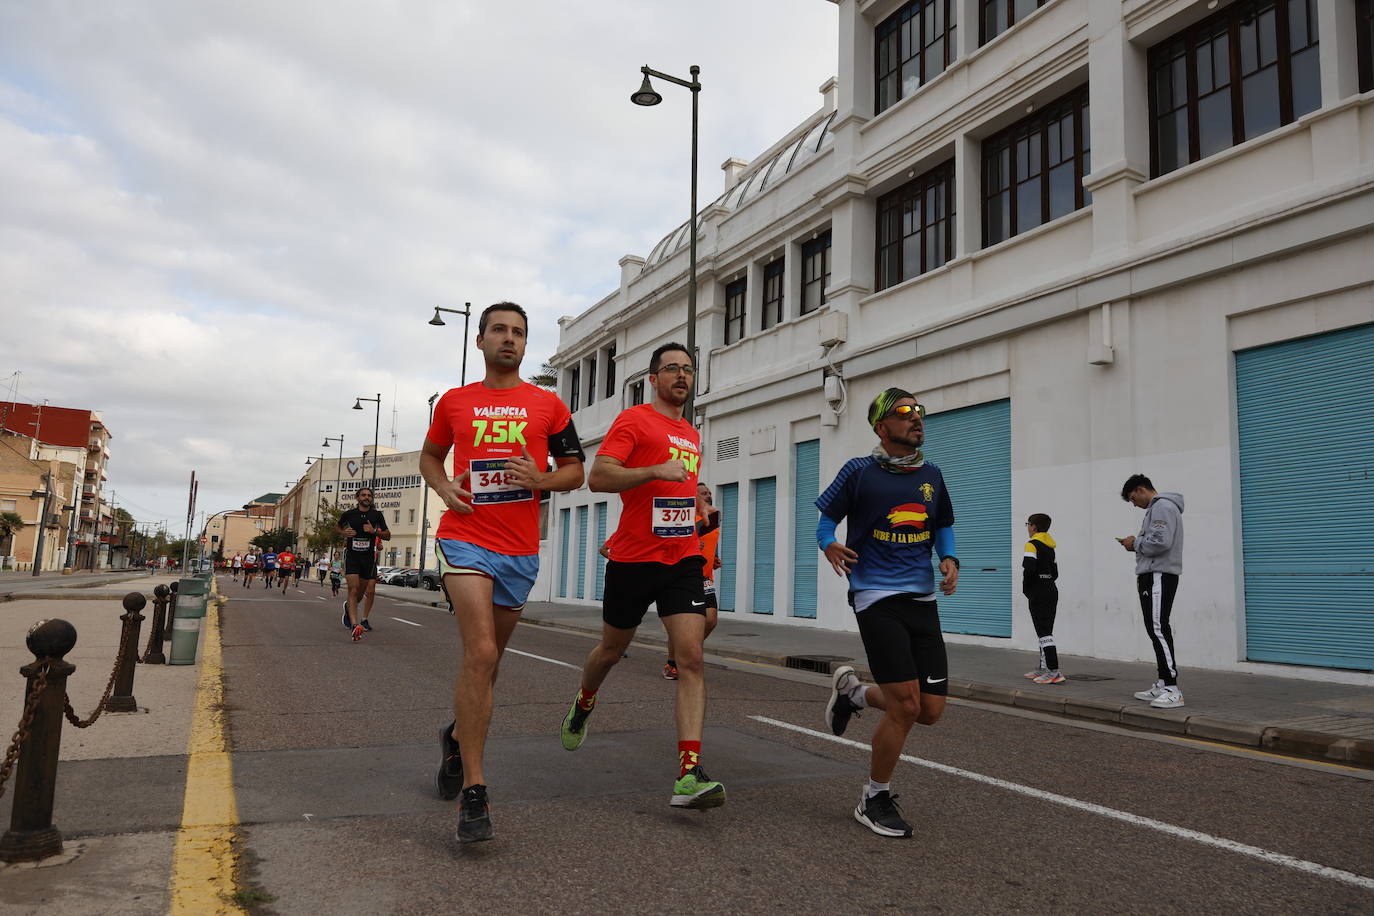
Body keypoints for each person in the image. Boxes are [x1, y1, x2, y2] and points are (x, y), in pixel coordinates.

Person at [420, 301, 585, 844]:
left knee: (490, 666)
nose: (508, 339)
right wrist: (445, 489)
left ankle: (455, 736)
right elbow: (430, 458)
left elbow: (575, 474)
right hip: (465, 538)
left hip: (520, 550)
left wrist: (540, 479)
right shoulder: (455, 402)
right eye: (498, 330)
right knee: (481, 653)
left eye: (517, 332)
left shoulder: (549, 406)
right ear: (481, 341)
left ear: (524, 344)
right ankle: (475, 790)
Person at [560, 342, 726, 812]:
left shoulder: (691, 434)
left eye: (688, 370)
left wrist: (698, 501)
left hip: (681, 558)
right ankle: (585, 700)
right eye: (671, 369)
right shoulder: (633, 421)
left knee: (691, 658)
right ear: (653, 379)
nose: (681, 376)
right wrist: (654, 468)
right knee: (611, 651)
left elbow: (681, 482)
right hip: (634, 560)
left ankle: (688, 774)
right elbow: (599, 477)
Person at [817, 388, 958, 839]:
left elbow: (942, 525)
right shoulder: (859, 471)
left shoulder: (932, 474)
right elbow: (825, 518)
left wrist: (949, 559)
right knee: (906, 705)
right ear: (881, 427)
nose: (916, 419)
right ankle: (873, 797)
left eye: (919, 412)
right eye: (904, 414)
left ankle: (854, 695)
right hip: (875, 597)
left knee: (930, 711)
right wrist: (828, 544)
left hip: (922, 599)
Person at [1118, 474, 1186, 709]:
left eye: (1132, 499)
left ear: (1139, 490)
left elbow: (1160, 542)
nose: (1133, 504)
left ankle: (1172, 688)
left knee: (1158, 627)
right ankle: (1162, 682)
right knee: (1154, 627)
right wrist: (1137, 542)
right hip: (1154, 574)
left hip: (1158, 574)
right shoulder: (1160, 508)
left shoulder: (1162, 507)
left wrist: (1133, 543)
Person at [663, 481, 721, 680]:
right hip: (683, 577)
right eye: (703, 493)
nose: (708, 495)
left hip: (705, 578)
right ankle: (672, 664)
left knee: (711, 620)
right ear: (694, 497)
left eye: (709, 492)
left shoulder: (713, 519)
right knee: (681, 624)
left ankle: (685, 650)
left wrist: (713, 559)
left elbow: (708, 545)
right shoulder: (685, 518)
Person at [338, 487, 389, 640]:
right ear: (357, 497)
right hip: (352, 557)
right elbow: (338, 526)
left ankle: (348, 607)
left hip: (368, 559)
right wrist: (343, 533)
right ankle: (355, 626)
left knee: (360, 593)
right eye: (363, 495)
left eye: (369, 495)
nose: (367, 497)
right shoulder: (349, 514)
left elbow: (388, 535)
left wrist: (375, 531)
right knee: (353, 590)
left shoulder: (377, 515)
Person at [1022, 513, 1063, 684]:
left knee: (1044, 633)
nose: (1027, 528)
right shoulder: (1050, 546)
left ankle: (1053, 671)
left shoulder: (1032, 545)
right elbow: (1055, 573)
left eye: (1028, 524)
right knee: (1045, 632)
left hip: (1038, 591)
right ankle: (1044, 668)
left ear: (1034, 527)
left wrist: (1028, 589)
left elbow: (1029, 569)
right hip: (1051, 590)